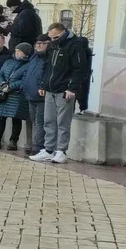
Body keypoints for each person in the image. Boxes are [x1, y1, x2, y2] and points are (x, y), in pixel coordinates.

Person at [30, 22, 91, 164]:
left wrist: (72, 88)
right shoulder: (53, 45)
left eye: (55, 37)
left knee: (62, 122)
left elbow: (79, 69)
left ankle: (61, 151)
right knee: (48, 120)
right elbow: (48, 67)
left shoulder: (74, 46)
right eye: (50, 37)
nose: (52, 39)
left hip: (65, 90)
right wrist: (43, 85)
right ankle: (48, 150)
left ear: (64, 32)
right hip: (50, 89)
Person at [0, 42, 33, 150]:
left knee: (16, 119)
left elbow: (25, 80)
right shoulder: (9, 62)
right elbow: (0, 73)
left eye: (19, 52)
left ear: (26, 53)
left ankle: (13, 141)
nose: (17, 53)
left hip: (16, 95)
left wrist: (11, 86)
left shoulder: (29, 65)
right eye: (16, 51)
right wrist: (2, 83)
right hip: (3, 93)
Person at [22, 35, 50, 157]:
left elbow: (46, 75)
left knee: (40, 122)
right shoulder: (34, 57)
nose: (39, 45)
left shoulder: (48, 58)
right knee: (34, 121)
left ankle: (38, 147)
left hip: (41, 96)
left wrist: (42, 87)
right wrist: (24, 86)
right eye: (37, 43)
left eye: (42, 43)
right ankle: (35, 145)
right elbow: (27, 73)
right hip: (30, 94)